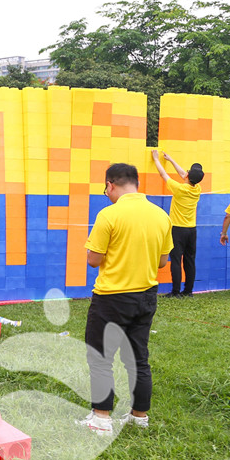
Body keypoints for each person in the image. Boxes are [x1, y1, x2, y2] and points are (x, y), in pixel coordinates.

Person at [79, 164, 172, 436]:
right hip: (146, 296)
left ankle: (101, 418)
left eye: (105, 189)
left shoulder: (109, 215)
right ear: (136, 183)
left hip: (112, 297)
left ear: (110, 184)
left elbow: (93, 259)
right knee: (138, 357)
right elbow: (163, 262)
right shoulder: (161, 215)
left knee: (101, 357)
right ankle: (139, 416)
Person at [151, 150, 203, 297]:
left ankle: (175, 292)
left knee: (175, 260)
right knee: (189, 260)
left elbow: (163, 175)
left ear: (188, 175)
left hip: (178, 229)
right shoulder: (197, 189)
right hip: (191, 230)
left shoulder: (179, 189)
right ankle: (188, 291)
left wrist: (156, 159)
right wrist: (171, 160)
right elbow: (183, 174)